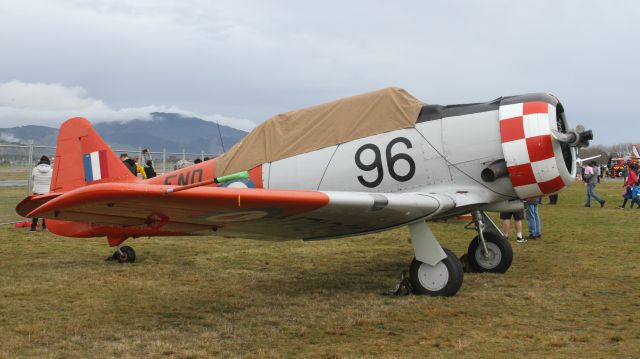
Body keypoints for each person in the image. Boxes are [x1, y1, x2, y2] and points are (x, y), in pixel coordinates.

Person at [30, 155, 53, 231]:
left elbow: (32, 178)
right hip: (47, 193)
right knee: (45, 209)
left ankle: (33, 227)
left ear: (40, 161)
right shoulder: (51, 170)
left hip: (37, 192)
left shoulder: (35, 169)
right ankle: (45, 226)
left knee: (36, 210)